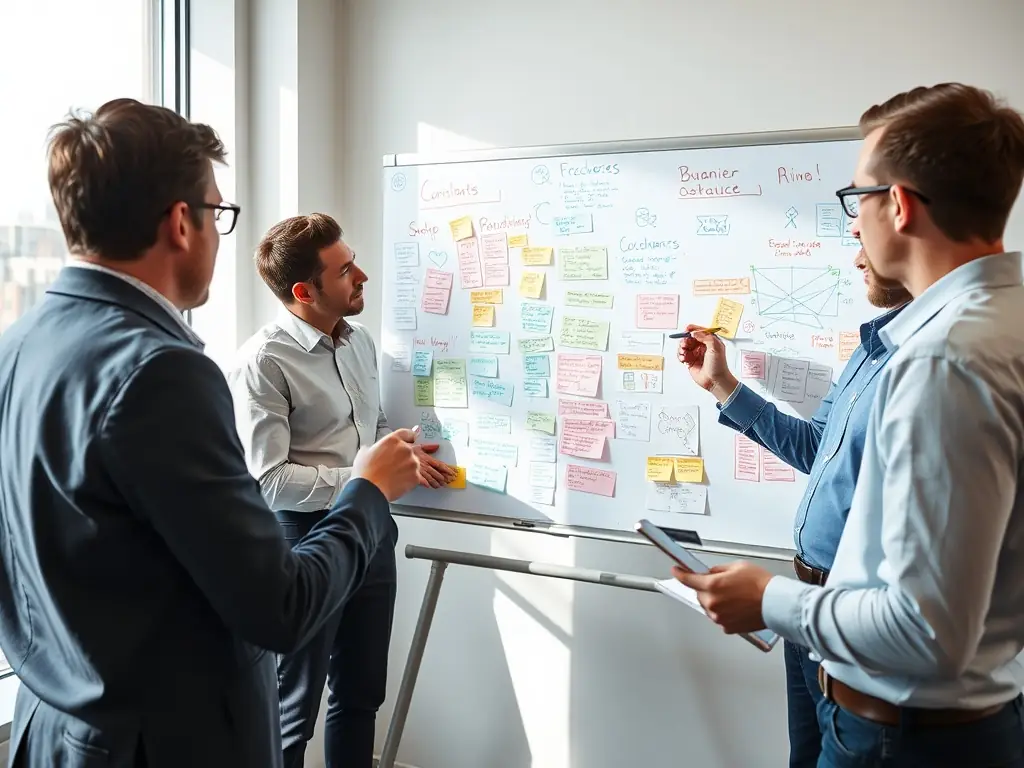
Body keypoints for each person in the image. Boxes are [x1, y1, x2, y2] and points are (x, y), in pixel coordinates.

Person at [0, 99, 430, 768]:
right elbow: (280, 607)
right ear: (181, 222)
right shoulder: (163, 369)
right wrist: (367, 488)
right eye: (218, 215)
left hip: (58, 734)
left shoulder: (19, 345)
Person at [675, 82, 1024, 767]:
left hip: (903, 735)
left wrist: (770, 600)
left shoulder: (945, 360)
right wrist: (725, 388)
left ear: (897, 204)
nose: (853, 225)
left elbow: (926, 630)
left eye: (855, 200)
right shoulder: (988, 326)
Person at [227, 213, 456, 768]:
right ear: (304, 291)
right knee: (292, 708)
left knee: (360, 697)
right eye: (346, 269)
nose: (363, 276)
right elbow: (270, 480)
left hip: (372, 531)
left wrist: (396, 458)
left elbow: (372, 422)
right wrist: (363, 479)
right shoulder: (263, 361)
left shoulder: (360, 342)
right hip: (303, 541)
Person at [676, 247, 910, 767]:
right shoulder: (870, 349)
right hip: (804, 600)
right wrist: (722, 386)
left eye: (864, 235)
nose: (855, 258)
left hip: (854, 614)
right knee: (804, 756)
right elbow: (816, 447)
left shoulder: (928, 366)